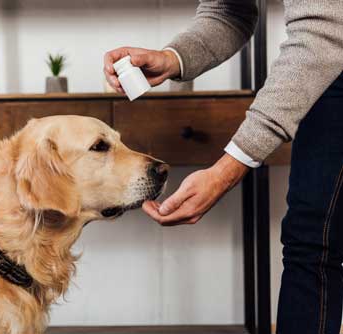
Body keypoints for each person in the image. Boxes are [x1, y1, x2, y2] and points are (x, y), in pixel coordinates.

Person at [104, 1, 343, 333]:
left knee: (316, 240)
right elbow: (230, 11)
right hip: (332, 48)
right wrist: (173, 58)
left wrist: (230, 166)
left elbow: (323, 30)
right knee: (311, 241)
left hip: (331, 39)